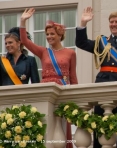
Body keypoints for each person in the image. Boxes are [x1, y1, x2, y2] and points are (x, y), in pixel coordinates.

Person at [75, 7, 117, 148]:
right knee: (100, 127)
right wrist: (83, 24)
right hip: (103, 86)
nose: (113, 24)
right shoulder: (102, 42)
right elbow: (81, 43)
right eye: (111, 22)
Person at [19, 8, 77, 148]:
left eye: (52, 34)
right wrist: (23, 21)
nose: (49, 36)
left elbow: (73, 77)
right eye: (47, 34)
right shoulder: (43, 51)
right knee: (45, 123)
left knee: (60, 124)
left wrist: (75, 99)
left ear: (60, 35)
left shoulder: (70, 53)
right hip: (45, 90)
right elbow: (24, 41)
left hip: (62, 90)